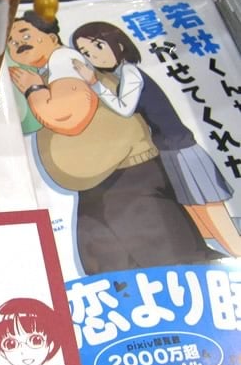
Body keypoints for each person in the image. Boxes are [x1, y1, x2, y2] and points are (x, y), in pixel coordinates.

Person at [7, 11, 222, 274]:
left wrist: (33, 89)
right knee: (116, 264)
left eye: (25, 36)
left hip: (125, 177)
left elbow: (67, 116)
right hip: (106, 179)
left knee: (167, 258)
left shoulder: (64, 62)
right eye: (11, 42)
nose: (18, 44)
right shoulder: (54, 68)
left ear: (51, 37)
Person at [71, 21, 240, 257]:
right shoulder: (121, 74)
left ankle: (237, 252)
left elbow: (124, 108)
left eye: (98, 46)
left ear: (119, 43)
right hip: (168, 147)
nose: (94, 56)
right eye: (86, 53)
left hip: (179, 146)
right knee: (193, 207)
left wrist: (94, 83)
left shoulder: (130, 72)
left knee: (208, 206)